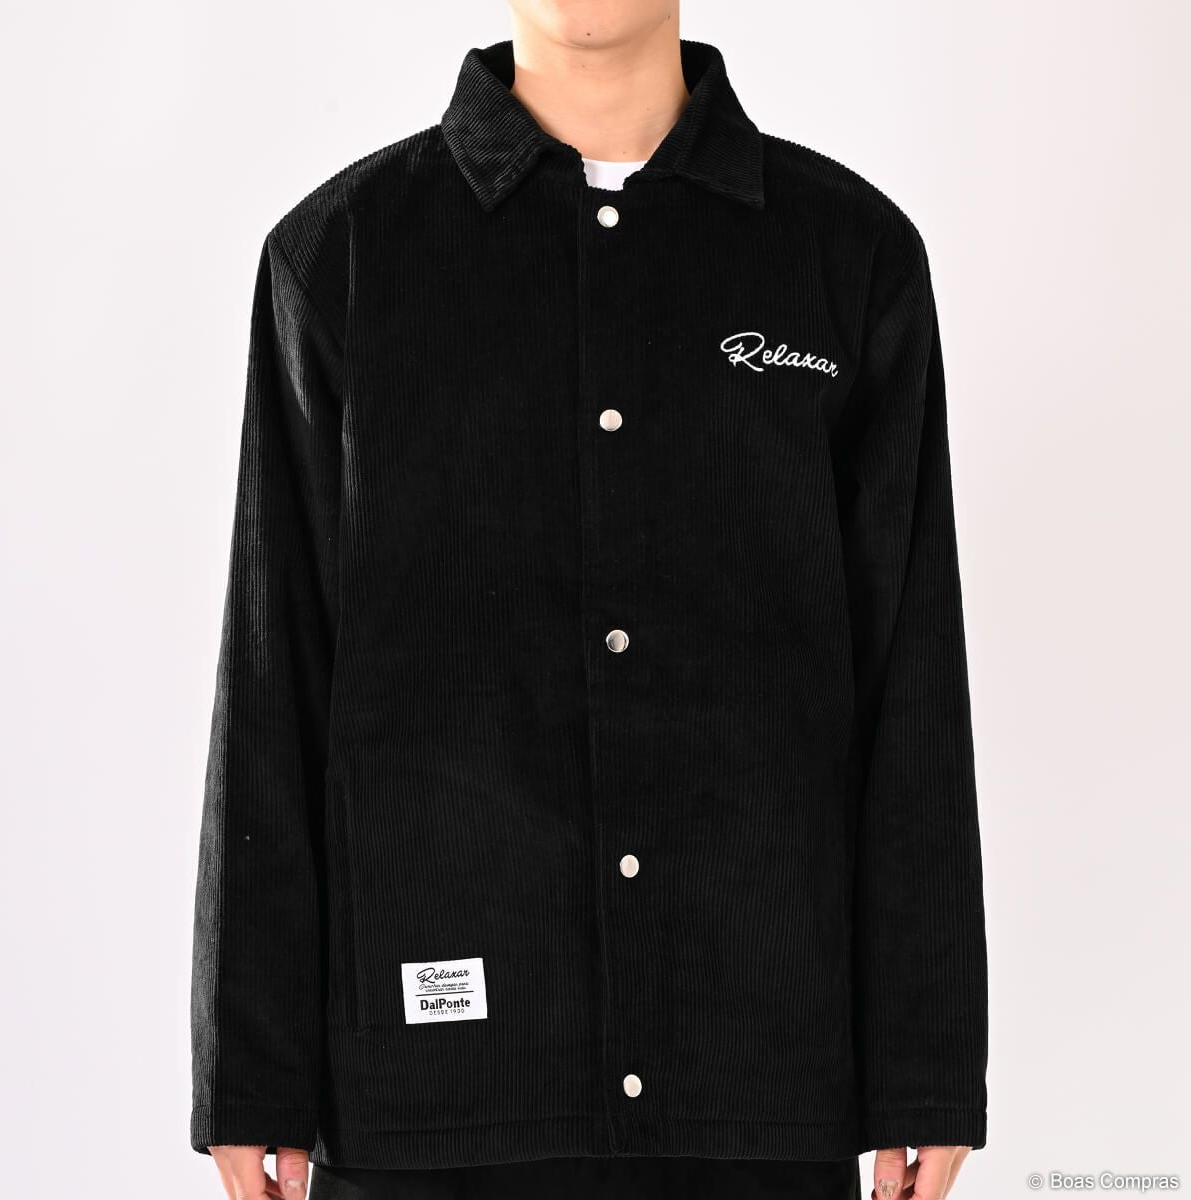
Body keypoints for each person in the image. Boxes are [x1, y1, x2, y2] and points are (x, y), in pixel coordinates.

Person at [189, 3, 989, 1199]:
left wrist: (925, 1064)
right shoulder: (344, 256)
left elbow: (910, 678)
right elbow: (274, 673)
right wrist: (252, 1074)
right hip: (434, 1092)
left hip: (758, 1087)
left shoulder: (850, 256)